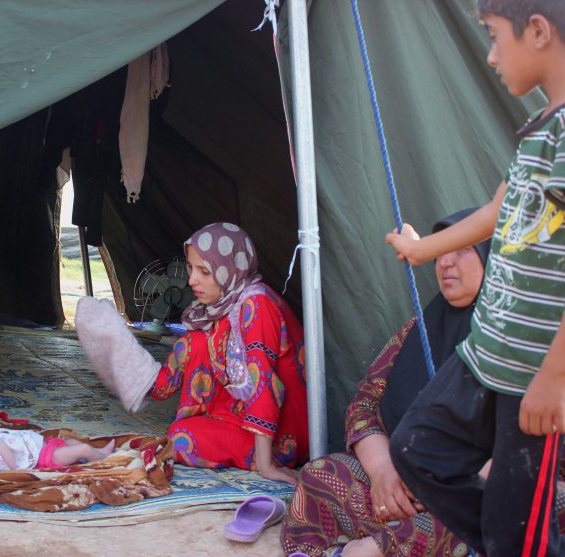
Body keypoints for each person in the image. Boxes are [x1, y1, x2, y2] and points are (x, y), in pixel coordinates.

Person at [384, 3, 565, 555]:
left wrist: (555, 378)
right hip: (485, 357)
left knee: (519, 535)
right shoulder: (541, 130)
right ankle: (505, 541)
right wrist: (420, 250)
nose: (489, 55)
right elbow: (496, 211)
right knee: (415, 448)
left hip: (533, 377)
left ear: (537, 31)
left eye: (493, 37)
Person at [282, 210, 492, 557]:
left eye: (464, 249)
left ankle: (372, 549)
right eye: (441, 251)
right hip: (400, 481)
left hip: (468, 490)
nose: (446, 263)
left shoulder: (516, 340)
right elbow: (365, 402)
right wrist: (382, 472)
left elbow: (534, 443)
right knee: (321, 475)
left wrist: (446, 484)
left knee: (496, 513)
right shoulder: (421, 328)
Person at [76, 223, 309, 484]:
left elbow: (263, 383)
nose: (191, 280)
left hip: (283, 434)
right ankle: (145, 381)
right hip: (243, 411)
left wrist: (266, 467)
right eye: (190, 268)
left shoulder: (257, 305)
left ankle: (264, 455)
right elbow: (190, 361)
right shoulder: (224, 304)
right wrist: (117, 346)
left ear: (229, 270)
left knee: (181, 438)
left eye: (204, 271)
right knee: (195, 342)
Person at [0, 421, 116, 471]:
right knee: (80, 449)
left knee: (73, 442)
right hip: (45, 458)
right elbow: (12, 467)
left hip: (44, 445)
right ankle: (106, 459)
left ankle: (97, 452)